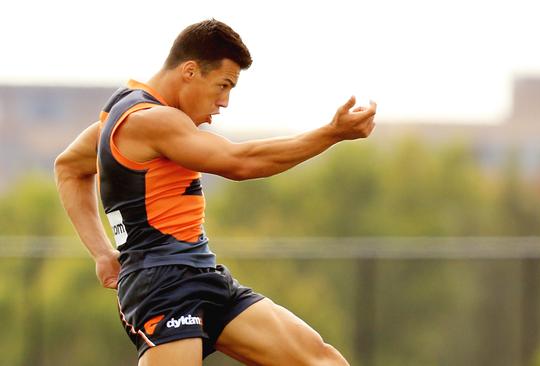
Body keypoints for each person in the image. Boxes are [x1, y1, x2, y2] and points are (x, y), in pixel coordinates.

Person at [54, 18, 376, 366]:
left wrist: (103, 253)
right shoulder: (150, 120)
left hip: (202, 273)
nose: (224, 102)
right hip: (162, 285)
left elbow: (68, 167)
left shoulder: (118, 120)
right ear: (190, 71)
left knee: (322, 361)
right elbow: (240, 163)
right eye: (223, 86)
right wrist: (331, 133)